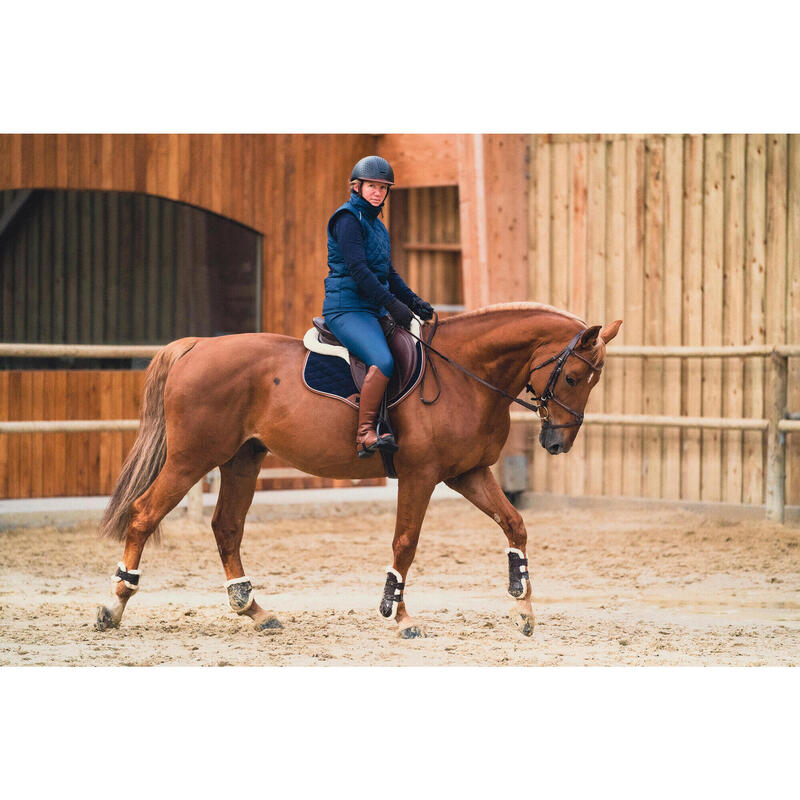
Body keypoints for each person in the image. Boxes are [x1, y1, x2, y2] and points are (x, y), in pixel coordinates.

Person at [323, 155, 435, 458]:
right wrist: (391, 303)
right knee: (383, 361)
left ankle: (392, 422)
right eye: (372, 186)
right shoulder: (347, 219)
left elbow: (387, 273)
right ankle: (365, 434)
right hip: (346, 308)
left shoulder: (377, 226)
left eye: (383, 188)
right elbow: (359, 271)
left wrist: (413, 301)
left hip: (372, 307)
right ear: (357, 187)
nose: (377, 192)